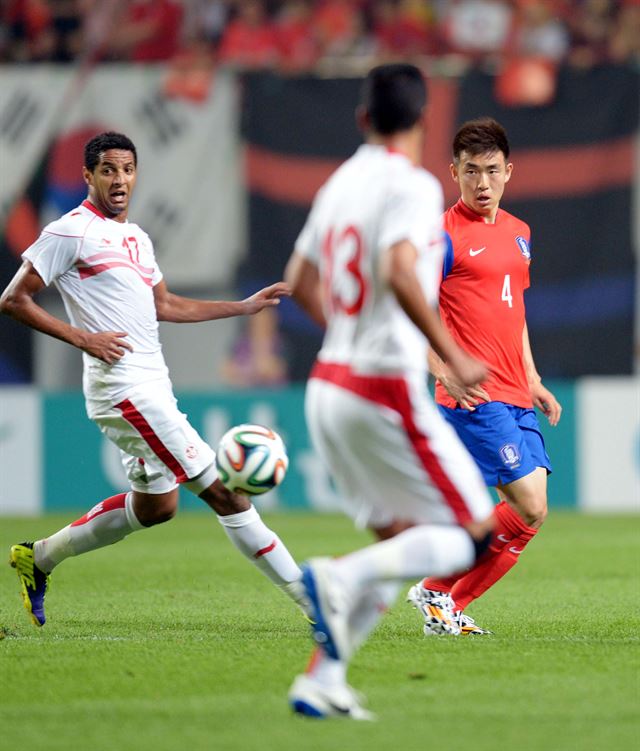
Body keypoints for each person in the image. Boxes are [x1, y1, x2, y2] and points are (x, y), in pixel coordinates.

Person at [1, 131, 308, 628]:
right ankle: (314, 603)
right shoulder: (70, 231)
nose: (119, 179)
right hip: (123, 389)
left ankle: (37, 558)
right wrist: (85, 339)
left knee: (156, 507)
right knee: (226, 495)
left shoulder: (137, 237)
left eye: (127, 169)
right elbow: (13, 299)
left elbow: (166, 305)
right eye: (108, 170)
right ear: (88, 176)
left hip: (150, 386)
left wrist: (244, 307)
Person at [283, 63, 495, 720]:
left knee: (398, 541)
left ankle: (326, 677)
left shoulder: (339, 182)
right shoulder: (411, 186)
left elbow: (299, 281)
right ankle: (335, 577)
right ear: (423, 119)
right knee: (474, 532)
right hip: (381, 386)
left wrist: (349, 328)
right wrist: (453, 354)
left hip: (329, 383)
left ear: (362, 119)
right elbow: (401, 270)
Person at [407, 117, 562, 636]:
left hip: (516, 392)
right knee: (529, 502)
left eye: (492, 171)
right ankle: (434, 590)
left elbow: (513, 311)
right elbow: (408, 313)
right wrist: (442, 371)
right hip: (475, 396)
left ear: (509, 172)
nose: (482, 184)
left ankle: (443, 601)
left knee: (530, 517)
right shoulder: (442, 236)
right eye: (471, 172)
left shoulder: (520, 234)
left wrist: (534, 378)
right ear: (453, 173)